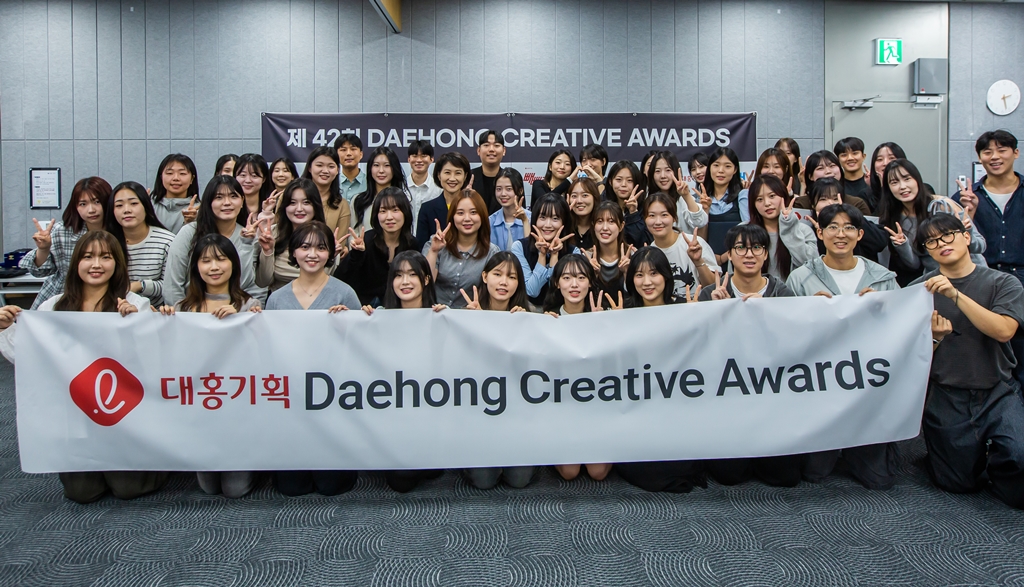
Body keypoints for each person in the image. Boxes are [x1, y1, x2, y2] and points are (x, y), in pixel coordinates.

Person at [0, 231, 166, 504]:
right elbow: (29, 356)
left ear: (117, 264)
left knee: (129, 489)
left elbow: (151, 362)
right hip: (75, 412)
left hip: (123, 411)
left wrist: (136, 326)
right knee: (82, 493)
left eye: (105, 257)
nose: (96, 264)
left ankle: (155, 463)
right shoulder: (54, 307)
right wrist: (6, 329)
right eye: (88, 257)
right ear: (76, 262)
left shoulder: (135, 304)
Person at [910, 215, 1024, 509]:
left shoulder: (1002, 282)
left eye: (947, 235)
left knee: (1019, 462)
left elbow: (1003, 330)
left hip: (997, 389)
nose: (941, 244)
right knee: (957, 484)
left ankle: (997, 458)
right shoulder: (919, 290)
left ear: (966, 236)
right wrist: (935, 339)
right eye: (931, 241)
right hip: (947, 394)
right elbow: (908, 354)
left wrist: (955, 294)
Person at [786, 203, 900, 490]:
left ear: (860, 234)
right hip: (820, 380)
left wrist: (882, 311)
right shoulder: (801, 277)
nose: (840, 234)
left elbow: (901, 327)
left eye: (848, 228)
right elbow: (785, 333)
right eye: (833, 227)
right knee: (813, 473)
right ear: (820, 233)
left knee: (880, 480)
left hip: (867, 382)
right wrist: (807, 312)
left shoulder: (883, 277)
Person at [695, 224, 802, 487]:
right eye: (740, 248)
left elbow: (795, 346)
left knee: (785, 477)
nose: (749, 254)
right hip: (728, 396)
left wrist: (769, 314)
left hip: (771, 395)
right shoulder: (711, 294)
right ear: (730, 255)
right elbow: (701, 351)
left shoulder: (782, 294)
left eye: (756, 247)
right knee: (729, 476)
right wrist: (718, 315)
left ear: (765, 254)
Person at [157, 234, 261, 498]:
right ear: (196, 267)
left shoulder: (249, 305)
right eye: (205, 261)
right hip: (199, 403)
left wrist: (244, 320)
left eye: (221, 259)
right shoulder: (183, 307)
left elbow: (260, 354)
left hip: (236, 402)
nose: (214, 267)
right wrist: (164, 321)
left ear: (233, 264)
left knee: (235, 490)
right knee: (209, 488)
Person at [266, 221, 360, 496]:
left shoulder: (344, 293)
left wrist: (350, 323)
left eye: (320, 248)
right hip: (292, 401)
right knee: (291, 488)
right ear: (293, 251)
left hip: (333, 397)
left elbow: (360, 347)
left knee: (331, 486)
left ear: (330, 253)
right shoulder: (277, 299)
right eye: (305, 247)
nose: (312, 254)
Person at [360, 250, 447, 492]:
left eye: (412, 275)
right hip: (393, 411)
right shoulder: (377, 317)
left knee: (431, 470)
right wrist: (344, 319)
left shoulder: (441, 315)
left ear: (426, 279)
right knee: (401, 481)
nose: (405, 282)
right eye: (398, 275)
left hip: (428, 410)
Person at [458, 252, 535, 489]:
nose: (503, 282)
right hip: (478, 411)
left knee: (519, 480)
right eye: (497, 274)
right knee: (484, 482)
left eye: (511, 277)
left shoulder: (528, 315)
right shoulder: (468, 312)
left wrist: (532, 328)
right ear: (484, 276)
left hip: (516, 413)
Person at [955, 130, 1024, 386]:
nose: (994, 157)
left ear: (1015, 153)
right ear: (980, 157)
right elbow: (954, 244)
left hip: (1022, 280)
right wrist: (968, 215)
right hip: (983, 284)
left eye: (1002, 150)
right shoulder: (964, 198)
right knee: (986, 356)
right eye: (987, 152)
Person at [542, 254, 616, 479]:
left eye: (581, 278)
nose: (574, 285)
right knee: (569, 472)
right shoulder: (547, 320)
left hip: (597, 404)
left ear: (590, 282)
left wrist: (606, 327)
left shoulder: (605, 316)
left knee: (598, 472)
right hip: (562, 407)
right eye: (567, 278)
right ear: (557, 283)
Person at [878, 158, 985, 286]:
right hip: (937, 281)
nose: (902, 186)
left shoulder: (943, 206)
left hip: (971, 277)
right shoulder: (895, 218)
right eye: (894, 182)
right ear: (888, 188)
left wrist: (967, 232)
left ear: (917, 180)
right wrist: (902, 245)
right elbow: (915, 264)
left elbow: (981, 246)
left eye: (907, 179)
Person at [163, 175, 260, 306]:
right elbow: (172, 285)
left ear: (242, 201)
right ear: (208, 202)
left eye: (233, 196)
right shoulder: (189, 232)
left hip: (233, 312)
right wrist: (183, 314)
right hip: (191, 311)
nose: (227, 202)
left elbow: (245, 284)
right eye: (219, 197)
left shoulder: (249, 236)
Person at [20, 177, 112, 309]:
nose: (91, 210)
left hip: (106, 298)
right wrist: (43, 249)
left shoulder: (121, 232)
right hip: (62, 297)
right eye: (83, 204)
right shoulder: (63, 231)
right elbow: (38, 272)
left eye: (97, 202)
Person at [335, 187, 418, 306]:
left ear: (405, 212)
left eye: (395, 210)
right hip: (366, 308)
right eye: (383, 211)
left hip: (400, 306)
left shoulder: (412, 244)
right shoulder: (366, 241)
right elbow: (341, 279)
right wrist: (356, 255)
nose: (389, 217)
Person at [422, 189, 499, 308]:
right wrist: (433, 251)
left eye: (473, 212)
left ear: (482, 216)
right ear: (452, 216)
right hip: (435, 311)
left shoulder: (492, 252)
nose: (467, 218)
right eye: (460, 213)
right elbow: (425, 284)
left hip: (469, 314)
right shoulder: (435, 243)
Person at [105, 181, 175, 307]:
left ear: (146, 206)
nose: (127, 210)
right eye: (119, 205)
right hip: (113, 310)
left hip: (156, 312)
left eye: (134, 203)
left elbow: (170, 286)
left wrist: (140, 285)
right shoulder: (106, 242)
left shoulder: (167, 241)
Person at [254, 178, 328, 294]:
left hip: (317, 299)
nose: (299, 209)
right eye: (292, 203)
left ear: (315, 205)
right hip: (279, 298)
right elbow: (263, 282)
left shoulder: (326, 236)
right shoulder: (272, 233)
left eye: (306, 202)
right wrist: (268, 251)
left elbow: (328, 280)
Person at [644, 192, 719, 300]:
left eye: (664, 215)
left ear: (674, 217)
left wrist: (698, 262)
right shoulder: (648, 254)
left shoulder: (695, 244)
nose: (658, 222)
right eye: (652, 216)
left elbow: (713, 287)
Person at [510, 193, 579, 308]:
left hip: (560, 312)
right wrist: (542, 255)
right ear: (534, 219)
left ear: (564, 222)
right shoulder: (519, 247)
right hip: (528, 311)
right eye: (542, 217)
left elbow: (556, 292)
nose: (547, 225)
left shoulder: (574, 252)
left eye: (555, 218)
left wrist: (554, 256)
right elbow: (532, 291)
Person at [746, 175, 817, 281]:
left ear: (783, 196)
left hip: (793, 290)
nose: (767, 203)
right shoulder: (744, 231)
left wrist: (788, 227)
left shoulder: (803, 230)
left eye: (772, 196)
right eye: (759, 199)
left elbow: (811, 266)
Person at [802, 178, 888, 263]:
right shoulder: (807, 231)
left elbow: (880, 242)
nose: (830, 203)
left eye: (835, 199)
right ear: (813, 204)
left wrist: (851, 217)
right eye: (823, 199)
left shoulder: (856, 223)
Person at [416, 151, 472, 248]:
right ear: (439, 175)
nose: (452, 178)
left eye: (458, 173)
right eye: (447, 173)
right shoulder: (427, 209)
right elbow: (421, 247)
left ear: (465, 176)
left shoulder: (474, 206)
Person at [699, 147, 749, 256]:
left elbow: (749, 234)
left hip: (737, 258)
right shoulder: (700, 199)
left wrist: (723, 258)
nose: (721, 170)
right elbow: (699, 240)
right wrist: (705, 210)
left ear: (735, 170)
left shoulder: (742, 196)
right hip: (708, 260)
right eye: (716, 165)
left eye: (727, 166)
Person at [583, 201, 633, 308]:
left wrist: (627, 274)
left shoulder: (632, 255)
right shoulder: (586, 258)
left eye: (611, 221)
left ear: (621, 226)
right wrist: (591, 276)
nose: (605, 228)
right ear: (593, 225)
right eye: (600, 221)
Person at [647, 151, 709, 235]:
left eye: (668, 170)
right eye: (657, 171)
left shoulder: (683, 199)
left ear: (676, 171)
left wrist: (686, 196)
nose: (663, 176)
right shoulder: (648, 201)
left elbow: (700, 222)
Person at [794, 150, 871, 215]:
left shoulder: (857, 204)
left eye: (832, 166)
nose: (828, 171)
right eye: (820, 168)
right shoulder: (801, 204)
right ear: (810, 176)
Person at [301, 146, 352, 241]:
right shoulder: (290, 196)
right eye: (319, 165)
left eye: (331, 166)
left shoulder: (341, 205)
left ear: (337, 170)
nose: (325, 171)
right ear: (309, 168)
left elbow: (339, 242)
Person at [352, 146, 408, 231]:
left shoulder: (405, 200)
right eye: (376, 165)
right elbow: (353, 233)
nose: (381, 170)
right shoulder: (358, 201)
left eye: (387, 165)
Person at [150, 154, 201, 234]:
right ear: (161, 177)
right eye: (170, 173)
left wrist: (191, 222)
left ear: (192, 179)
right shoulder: (150, 205)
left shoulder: (199, 209)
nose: (176, 178)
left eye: (182, 173)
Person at [605, 160, 650, 246]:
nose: (623, 184)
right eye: (618, 179)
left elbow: (643, 241)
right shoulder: (603, 206)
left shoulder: (646, 208)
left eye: (629, 180)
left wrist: (633, 213)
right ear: (610, 181)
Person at [489, 168, 531, 251]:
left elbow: (532, 253)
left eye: (509, 189)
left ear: (520, 191)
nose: (503, 194)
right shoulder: (490, 221)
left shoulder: (532, 219)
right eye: (499, 189)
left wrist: (525, 221)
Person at [406, 140, 442, 230]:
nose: (419, 160)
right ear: (409, 159)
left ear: (431, 159)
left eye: (423, 156)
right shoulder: (400, 187)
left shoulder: (439, 188)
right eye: (415, 156)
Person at [471, 130, 506, 214]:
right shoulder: (468, 177)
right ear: (478, 150)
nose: (491, 149)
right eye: (486, 145)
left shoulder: (511, 178)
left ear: (504, 151)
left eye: (496, 145)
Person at [834, 137, 874, 210]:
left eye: (855, 153)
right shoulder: (835, 186)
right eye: (844, 155)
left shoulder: (872, 183)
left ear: (863, 156)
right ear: (838, 159)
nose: (850, 158)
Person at [233, 153, 272, 227]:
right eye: (243, 175)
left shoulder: (272, 207)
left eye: (254, 176)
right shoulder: (230, 207)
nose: (248, 180)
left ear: (264, 179)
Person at [869, 142, 907, 211]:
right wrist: (883, 187)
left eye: (891, 158)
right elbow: (880, 216)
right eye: (880, 159)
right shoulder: (866, 195)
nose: (885, 163)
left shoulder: (919, 188)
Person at [568, 177, 600, 250]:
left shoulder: (602, 227)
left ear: (595, 198)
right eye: (574, 196)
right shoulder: (564, 227)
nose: (579, 201)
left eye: (585, 195)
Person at [336, 133, 366, 203]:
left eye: (353, 149)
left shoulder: (370, 182)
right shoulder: (331, 182)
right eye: (343, 150)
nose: (348, 153)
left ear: (361, 154)